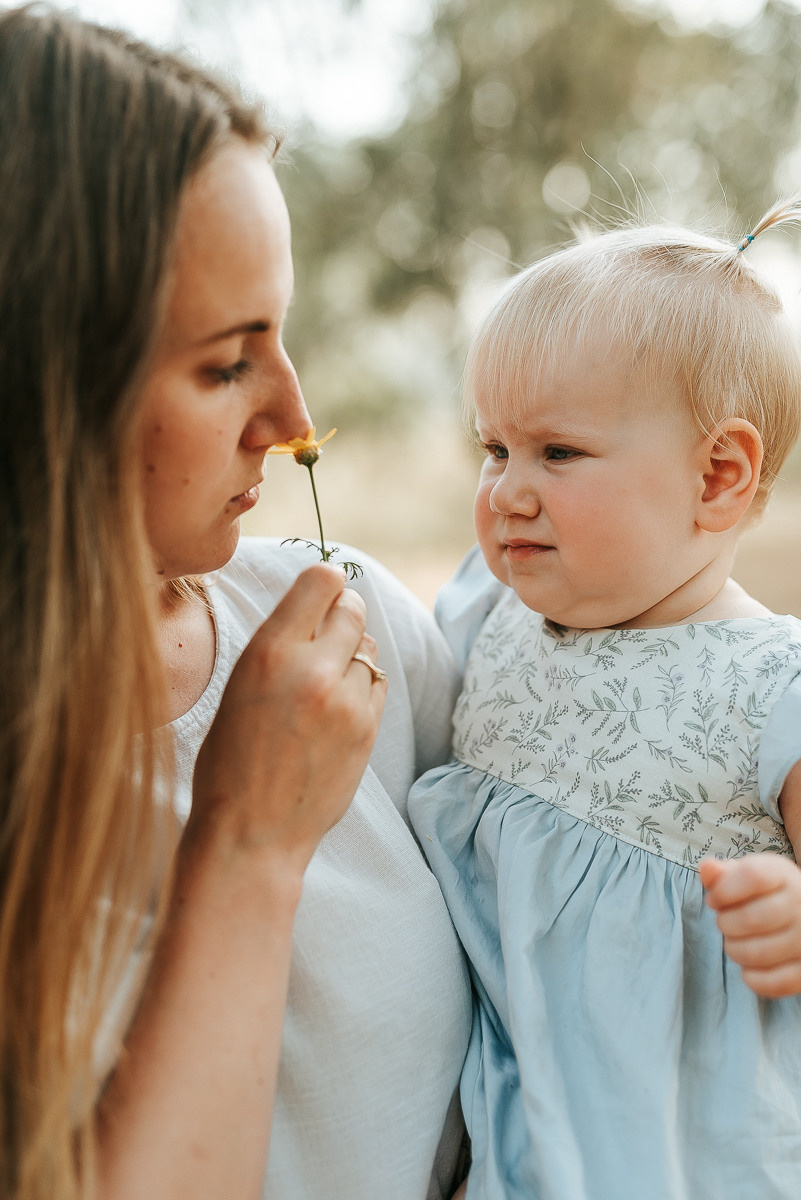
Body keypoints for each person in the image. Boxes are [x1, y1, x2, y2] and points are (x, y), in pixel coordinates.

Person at [0, 6, 471, 1199]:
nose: (295, 420)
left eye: (284, 336)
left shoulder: (349, 626)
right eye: (224, 363)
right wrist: (250, 845)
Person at [408, 205, 801, 1199]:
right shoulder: (486, 610)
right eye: (493, 449)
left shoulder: (768, 687)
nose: (505, 491)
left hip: (681, 1159)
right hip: (498, 1144)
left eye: (558, 453)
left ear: (718, 476)